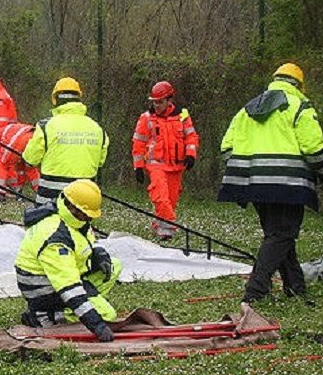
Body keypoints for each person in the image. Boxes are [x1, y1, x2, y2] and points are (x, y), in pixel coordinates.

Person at [218, 63, 323, 303]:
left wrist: (250, 168)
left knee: (278, 234)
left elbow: (226, 147)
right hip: (288, 184)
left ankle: (295, 286)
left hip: (254, 184)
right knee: (282, 235)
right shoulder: (299, 106)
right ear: (299, 85)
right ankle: (256, 290)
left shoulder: (248, 109)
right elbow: (314, 148)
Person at [14, 179, 120, 341]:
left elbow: (87, 239)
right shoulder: (56, 238)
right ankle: (48, 316)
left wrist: (98, 253)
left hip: (62, 278)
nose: (88, 219)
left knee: (114, 267)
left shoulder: (74, 219)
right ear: (74, 208)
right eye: (86, 215)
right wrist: (97, 325)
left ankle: (76, 307)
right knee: (107, 314)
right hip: (44, 290)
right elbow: (68, 287)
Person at [22, 77, 108, 204]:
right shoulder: (98, 129)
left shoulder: (46, 126)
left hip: (51, 195)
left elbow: (30, 159)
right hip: (84, 195)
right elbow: (100, 161)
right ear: (79, 98)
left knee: (45, 223)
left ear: (55, 99)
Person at [132, 81, 199, 241]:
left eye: (160, 102)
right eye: (154, 102)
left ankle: (161, 229)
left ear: (169, 100)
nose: (157, 105)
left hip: (176, 166)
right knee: (160, 198)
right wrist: (138, 166)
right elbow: (138, 143)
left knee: (170, 201)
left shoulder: (183, 116)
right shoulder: (146, 118)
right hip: (156, 165)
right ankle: (169, 228)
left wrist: (191, 155)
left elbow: (191, 136)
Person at [0, 121, 39, 198]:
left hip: (21, 140)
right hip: (34, 139)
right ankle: (37, 191)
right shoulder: (23, 126)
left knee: (1, 164)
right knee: (28, 167)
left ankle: (0, 192)